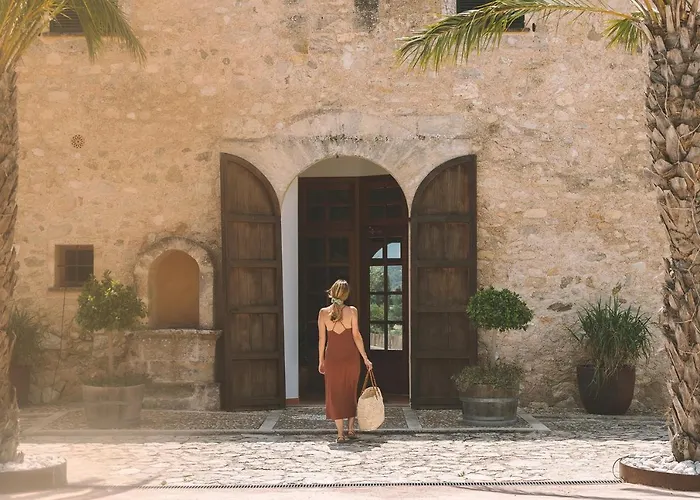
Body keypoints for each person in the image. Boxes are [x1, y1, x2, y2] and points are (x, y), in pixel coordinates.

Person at [318, 279, 373, 443]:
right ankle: (351, 429)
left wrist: (321, 360)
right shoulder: (352, 311)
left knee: (334, 393)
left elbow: (322, 340)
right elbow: (357, 336)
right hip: (351, 357)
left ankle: (340, 434)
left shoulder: (323, 313)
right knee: (350, 391)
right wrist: (365, 358)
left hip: (332, 358)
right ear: (346, 295)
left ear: (332, 292)